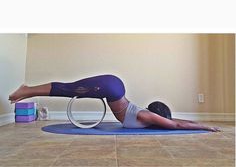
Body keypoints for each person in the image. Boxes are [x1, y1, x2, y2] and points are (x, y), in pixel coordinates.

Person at [9, 74, 220, 132]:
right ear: (158, 116)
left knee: (69, 88)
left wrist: (200, 123)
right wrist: (206, 126)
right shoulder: (146, 117)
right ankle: (27, 90)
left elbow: (175, 121)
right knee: (67, 89)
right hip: (111, 89)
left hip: (113, 87)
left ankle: (27, 91)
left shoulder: (146, 115)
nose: (166, 122)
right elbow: (177, 125)